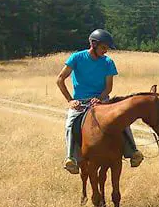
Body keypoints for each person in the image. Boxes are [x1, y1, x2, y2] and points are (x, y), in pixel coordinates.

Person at [56, 28, 143, 174]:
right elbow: (60, 79)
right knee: (70, 124)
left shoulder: (108, 62)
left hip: (102, 100)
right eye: (103, 47)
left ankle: (133, 152)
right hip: (80, 102)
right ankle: (71, 158)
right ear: (93, 44)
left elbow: (108, 87)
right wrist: (70, 101)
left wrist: (100, 98)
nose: (106, 51)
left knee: (122, 120)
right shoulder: (76, 58)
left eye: (107, 48)